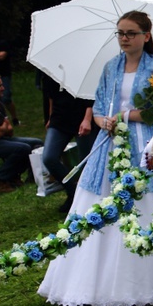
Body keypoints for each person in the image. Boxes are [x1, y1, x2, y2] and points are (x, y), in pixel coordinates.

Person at [37, 10, 153, 306]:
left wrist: (127, 115)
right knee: (100, 199)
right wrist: (102, 121)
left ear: (145, 36)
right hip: (109, 143)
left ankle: (150, 278)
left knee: (143, 201)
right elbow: (98, 105)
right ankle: (89, 282)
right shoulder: (111, 67)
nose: (124, 39)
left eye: (130, 33)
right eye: (120, 33)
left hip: (141, 144)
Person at [40, 73, 98, 212]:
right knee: (49, 158)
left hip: (82, 117)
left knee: (86, 162)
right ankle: (73, 191)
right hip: (59, 120)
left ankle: (88, 199)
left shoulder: (83, 70)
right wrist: (49, 118)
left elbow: (91, 97)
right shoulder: (49, 72)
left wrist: (87, 119)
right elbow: (50, 98)